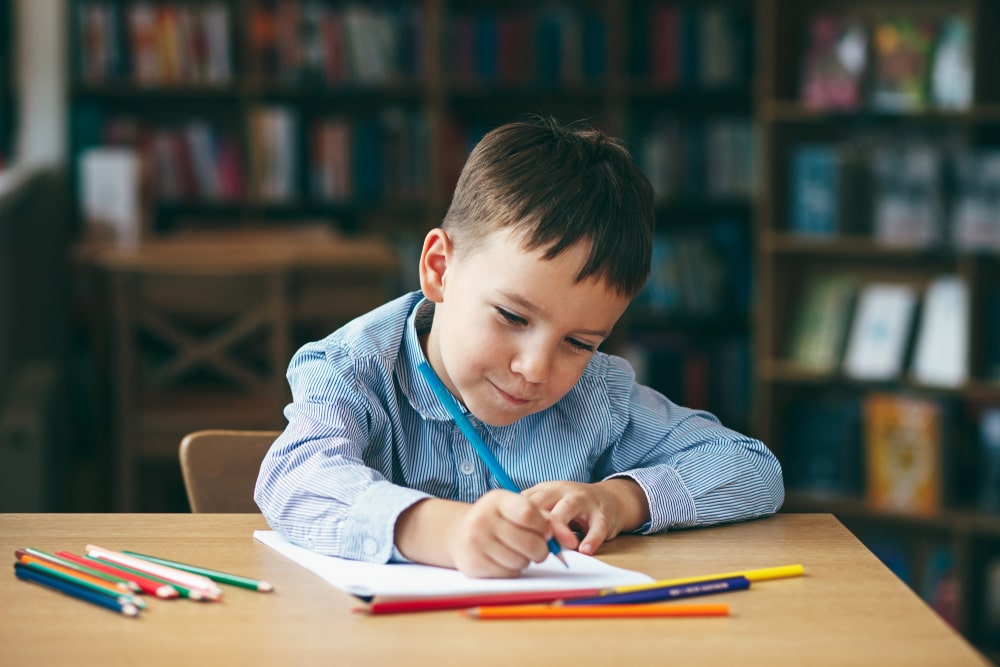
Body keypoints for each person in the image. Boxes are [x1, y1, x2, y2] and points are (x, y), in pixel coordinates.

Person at [254, 116, 784, 578]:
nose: (535, 368)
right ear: (440, 269)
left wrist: (620, 500)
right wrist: (445, 531)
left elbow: (750, 467)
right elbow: (294, 481)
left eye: (578, 343)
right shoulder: (352, 369)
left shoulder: (597, 394)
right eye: (512, 316)